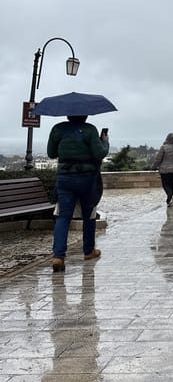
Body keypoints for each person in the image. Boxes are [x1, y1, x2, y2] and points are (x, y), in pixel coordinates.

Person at [47, 115, 109, 272]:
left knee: (63, 216)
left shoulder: (57, 129)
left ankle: (58, 256)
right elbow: (99, 153)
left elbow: (51, 153)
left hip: (65, 178)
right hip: (87, 178)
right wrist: (105, 142)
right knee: (89, 215)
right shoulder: (89, 130)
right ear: (85, 115)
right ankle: (88, 251)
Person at [152, 133, 173, 206]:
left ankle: (171, 196)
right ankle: (169, 201)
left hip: (165, 170)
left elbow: (158, 159)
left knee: (165, 185)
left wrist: (153, 166)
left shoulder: (163, 147)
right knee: (171, 184)